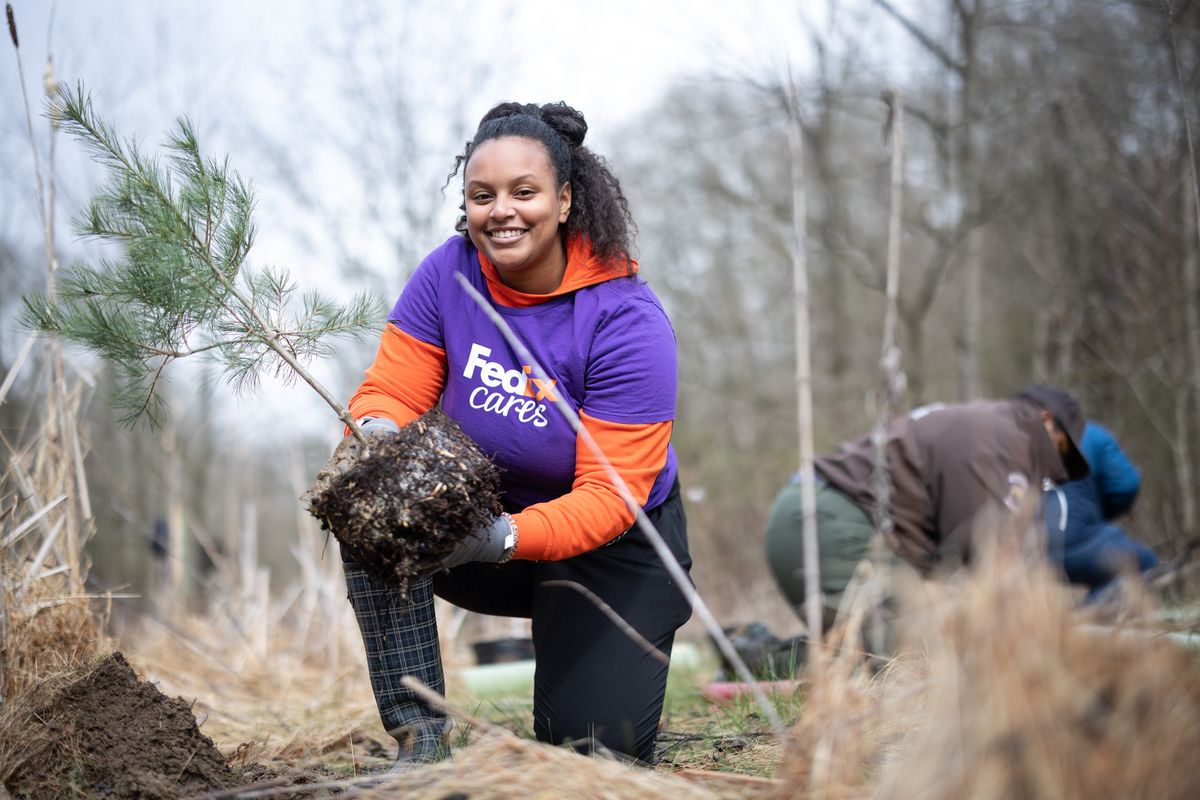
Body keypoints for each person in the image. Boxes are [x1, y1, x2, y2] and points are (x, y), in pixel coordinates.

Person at [328, 101, 691, 768]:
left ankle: (591, 664)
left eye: (525, 192)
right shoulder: (449, 272)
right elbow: (394, 388)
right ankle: (421, 742)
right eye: (481, 195)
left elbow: (610, 498)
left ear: (564, 199)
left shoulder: (626, 321)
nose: (502, 211)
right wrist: (376, 436)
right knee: (365, 497)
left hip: (611, 545)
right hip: (482, 532)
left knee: (589, 754)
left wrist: (505, 539)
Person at [764, 384, 1090, 630]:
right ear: (1047, 420)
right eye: (1064, 449)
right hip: (825, 521)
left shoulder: (987, 426)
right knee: (914, 657)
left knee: (894, 644)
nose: (1060, 466)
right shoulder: (1002, 440)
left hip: (813, 514)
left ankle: (751, 655)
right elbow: (980, 554)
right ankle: (753, 660)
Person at [1043, 420, 1158, 602]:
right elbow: (1126, 485)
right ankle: (1087, 622)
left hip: (1020, 549)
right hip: (1072, 538)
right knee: (1143, 565)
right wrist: (1100, 514)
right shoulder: (1091, 434)